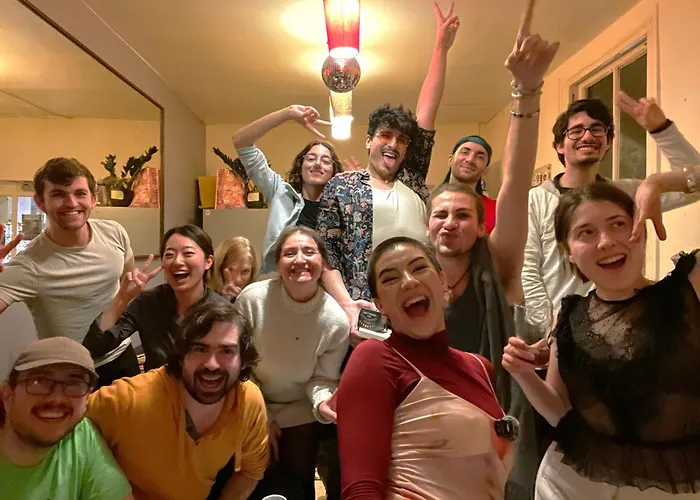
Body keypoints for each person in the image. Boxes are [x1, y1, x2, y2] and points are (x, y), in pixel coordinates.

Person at [426, 1, 558, 496]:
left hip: (494, 424)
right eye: (440, 214)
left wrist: (526, 90)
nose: (450, 223)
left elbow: (517, 182)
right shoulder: (414, 277)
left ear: (483, 227)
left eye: (463, 215)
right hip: (430, 424)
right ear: (427, 225)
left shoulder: (497, 264)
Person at [503, 179, 700, 499]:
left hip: (674, 485)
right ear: (569, 251)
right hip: (571, 485)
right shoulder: (568, 316)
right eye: (586, 232)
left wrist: (659, 183)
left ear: (641, 228)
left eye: (618, 224)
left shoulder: (689, 290)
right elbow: (560, 412)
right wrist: (524, 374)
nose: (605, 242)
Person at [337, 237, 517, 499]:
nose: (409, 281)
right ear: (380, 305)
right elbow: (361, 488)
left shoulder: (480, 367)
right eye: (390, 278)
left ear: (443, 281)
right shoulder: (374, 358)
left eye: (419, 268)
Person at [318, 1, 459, 320]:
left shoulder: (412, 178)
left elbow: (427, 111)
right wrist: (347, 306)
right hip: (366, 309)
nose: (393, 144)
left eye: (402, 140)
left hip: (421, 302)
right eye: (385, 136)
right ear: (369, 140)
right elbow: (327, 255)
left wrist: (440, 48)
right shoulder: (342, 187)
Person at [522, 92, 700, 328]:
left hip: (627, 326)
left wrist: (662, 131)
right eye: (576, 131)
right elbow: (528, 271)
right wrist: (550, 331)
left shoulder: (624, 193)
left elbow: (694, 186)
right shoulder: (536, 199)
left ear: (607, 143)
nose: (588, 136)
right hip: (563, 331)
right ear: (559, 146)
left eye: (597, 129)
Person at [87, 300, 269, 500]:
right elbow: (68, 435)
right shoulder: (128, 400)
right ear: (182, 355)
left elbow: (251, 471)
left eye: (226, 351)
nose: (212, 364)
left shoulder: (248, 401)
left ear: (242, 360)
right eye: (200, 349)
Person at [0, 157, 139, 387]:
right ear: (40, 202)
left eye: (80, 193)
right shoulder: (29, 264)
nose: (71, 203)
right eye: (58, 194)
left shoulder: (115, 233)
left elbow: (129, 281)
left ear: (93, 199)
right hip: (69, 372)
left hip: (122, 357)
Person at [235, 226, 349, 500]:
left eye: (309, 252)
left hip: (299, 407)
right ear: (277, 265)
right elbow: (237, 366)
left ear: (323, 263)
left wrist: (323, 403)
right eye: (289, 253)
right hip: (250, 398)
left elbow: (323, 379)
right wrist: (263, 414)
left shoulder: (335, 320)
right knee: (253, 476)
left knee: (298, 480)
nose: (300, 260)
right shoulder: (252, 300)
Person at [0, 337, 133, 500]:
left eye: (74, 384)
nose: (57, 398)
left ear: (87, 400)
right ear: (7, 396)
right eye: (39, 381)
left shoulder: (80, 435)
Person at [83, 224, 230, 371]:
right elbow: (95, 347)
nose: (177, 261)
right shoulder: (149, 302)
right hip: (156, 385)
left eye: (188, 253)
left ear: (208, 261)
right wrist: (122, 298)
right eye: (169, 255)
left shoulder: (222, 311)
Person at [232, 106, 341, 276]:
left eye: (325, 161)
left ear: (333, 171)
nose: (317, 164)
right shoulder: (281, 192)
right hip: (282, 283)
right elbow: (241, 142)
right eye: (311, 158)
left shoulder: (341, 207)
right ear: (301, 165)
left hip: (328, 287)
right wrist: (288, 113)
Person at [442, 135, 498, 233]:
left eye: (480, 157)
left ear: (485, 170)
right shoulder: (429, 203)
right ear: (450, 160)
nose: (470, 160)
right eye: (464, 152)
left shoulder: (497, 210)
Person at [211, 236, 257, 302]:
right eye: (231, 270)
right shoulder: (203, 295)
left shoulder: (256, 297)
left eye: (245, 271)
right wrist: (224, 300)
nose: (238, 280)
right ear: (219, 268)